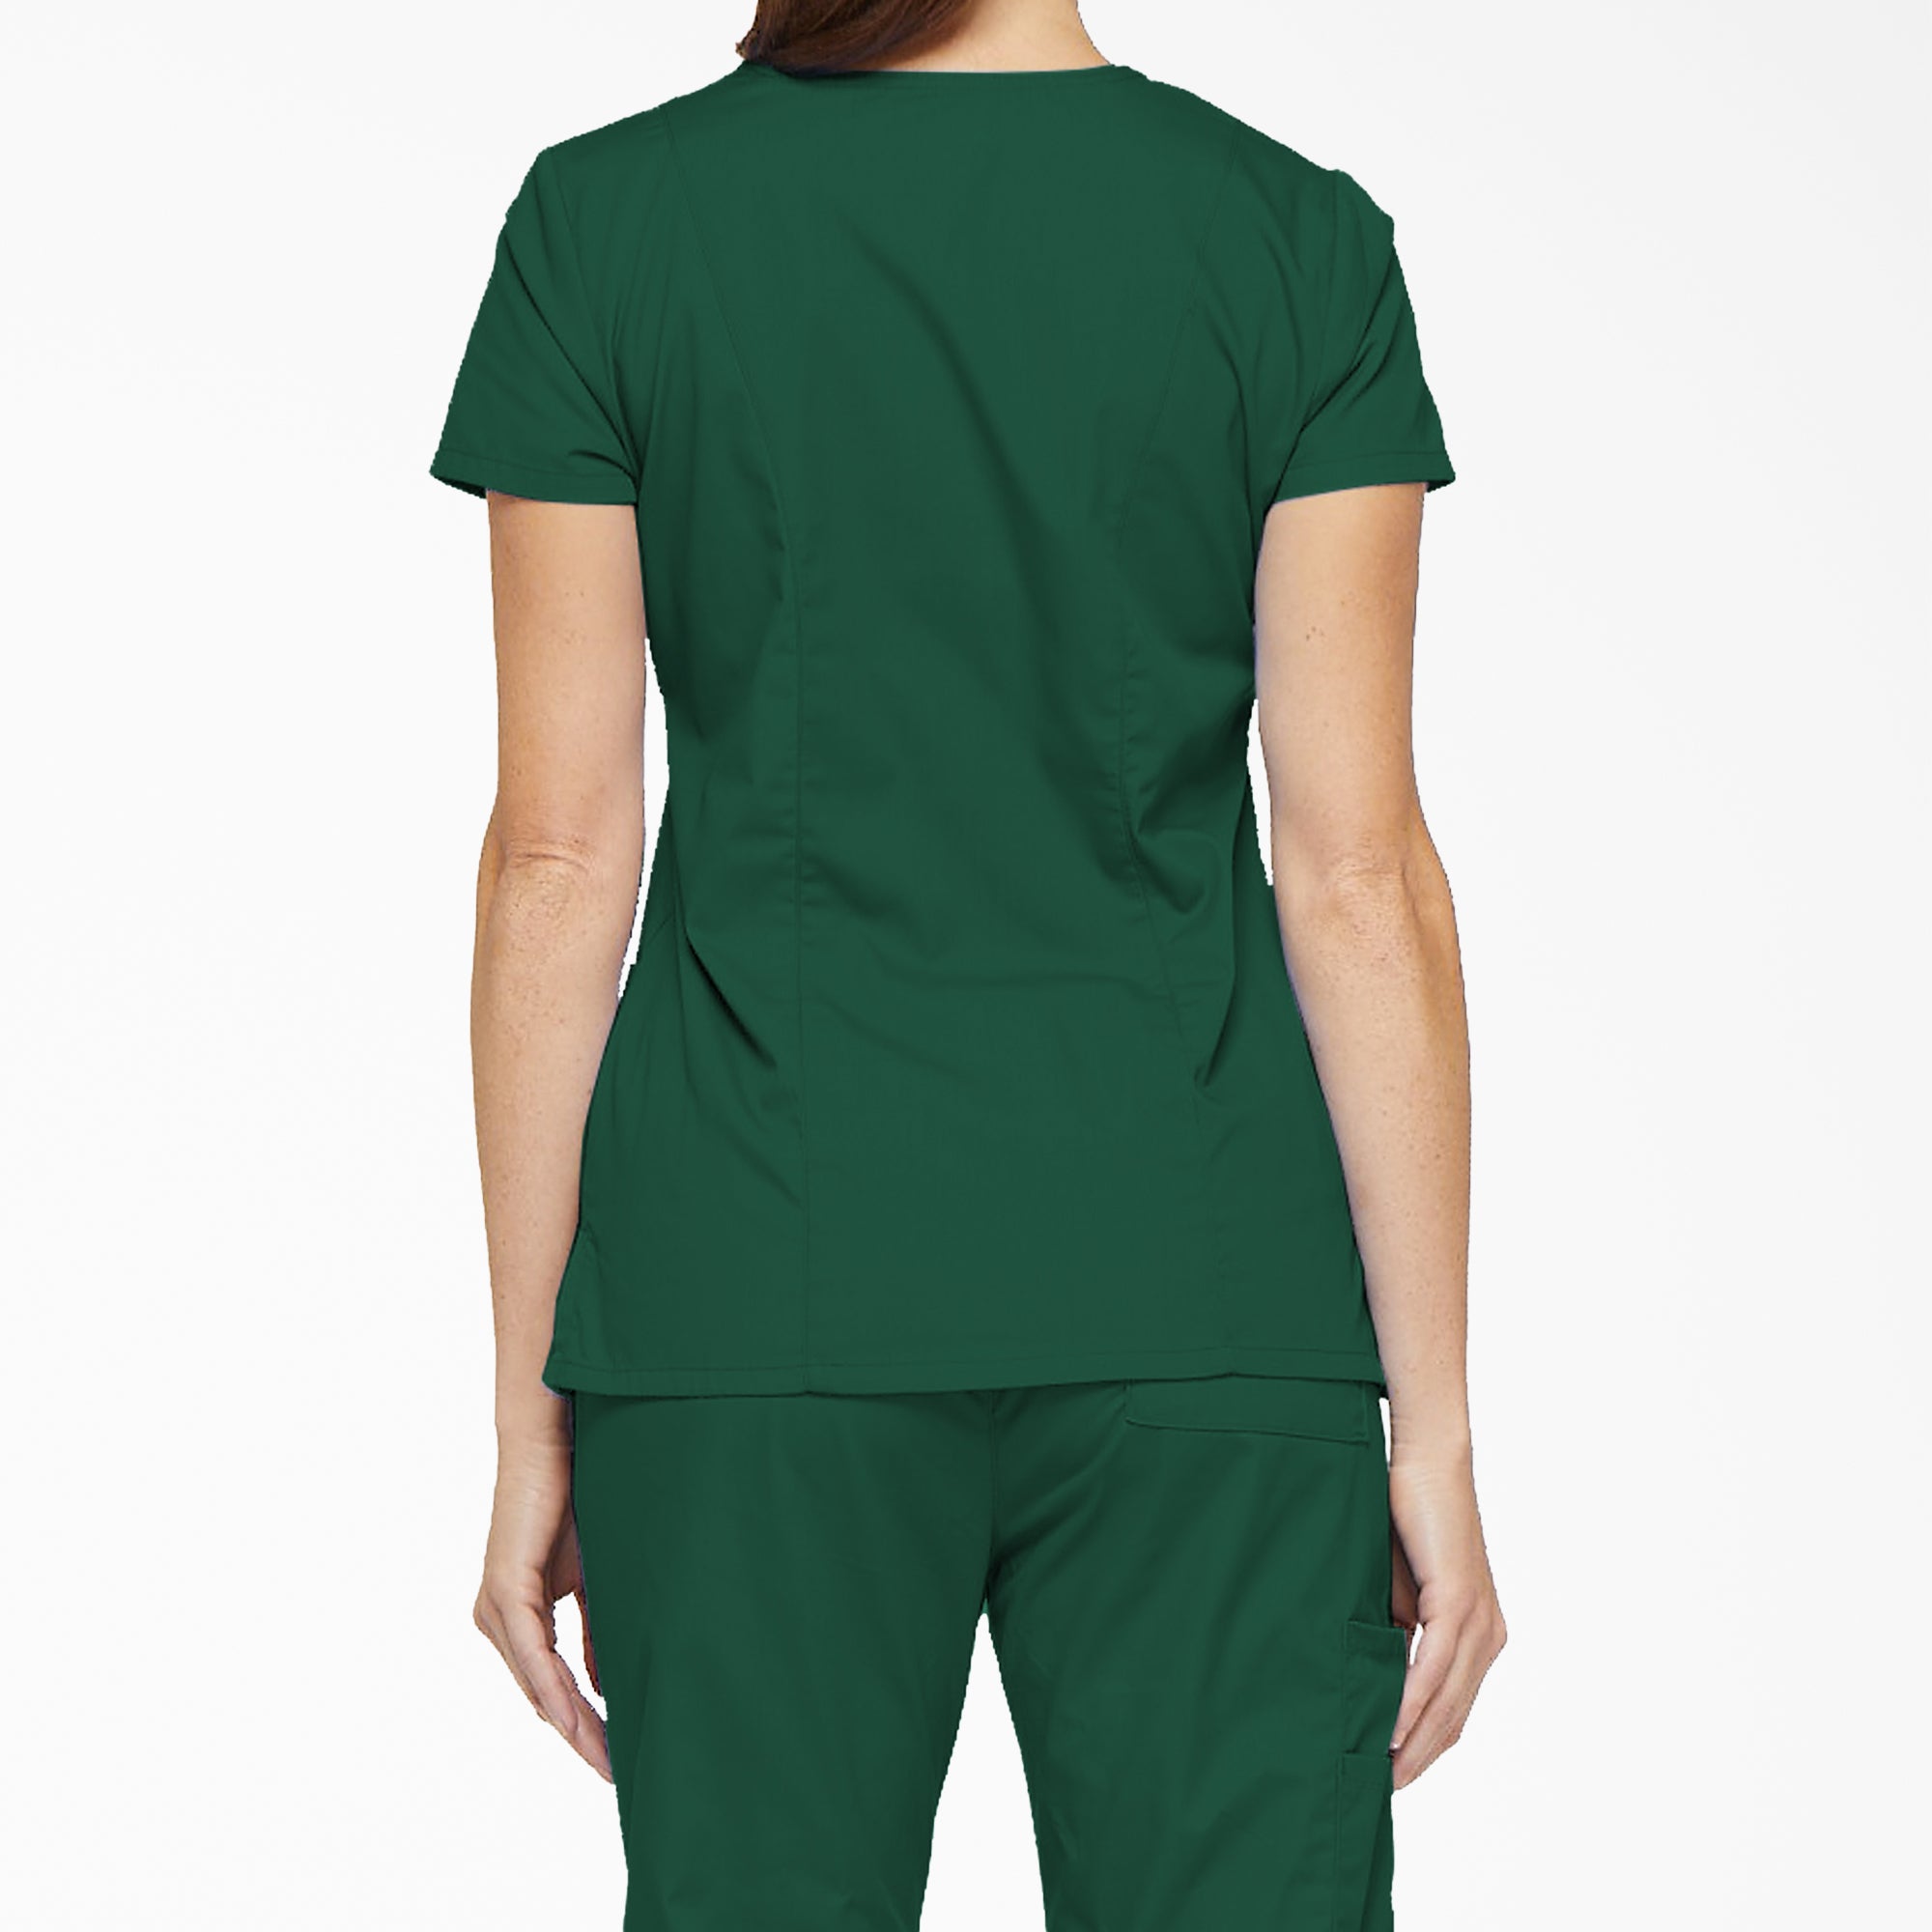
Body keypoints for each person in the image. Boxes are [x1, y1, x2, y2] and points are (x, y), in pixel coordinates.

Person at [427, 0, 1505, 1924]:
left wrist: (531, 1414)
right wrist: (1429, 1421)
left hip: (750, 1294)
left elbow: (557, 860)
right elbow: (1356, 874)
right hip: (1201, 1288)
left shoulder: (612, 225)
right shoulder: (1288, 239)